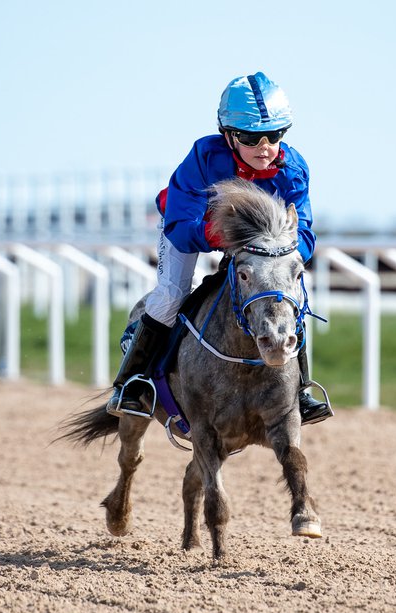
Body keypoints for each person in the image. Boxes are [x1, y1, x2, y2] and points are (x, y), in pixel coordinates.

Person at [107, 71, 332, 425]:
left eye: (274, 135)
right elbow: (183, 230)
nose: (265, 147)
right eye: (251, 137)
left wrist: (282, 251)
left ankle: (300, 391)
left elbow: (304, 234)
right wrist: (229, 236)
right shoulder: (204, 158)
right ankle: (133, 384)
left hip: (257, 246)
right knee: (170, 296)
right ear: (229, 136)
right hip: (191, 226)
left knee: (292, 298)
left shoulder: (293, 170)